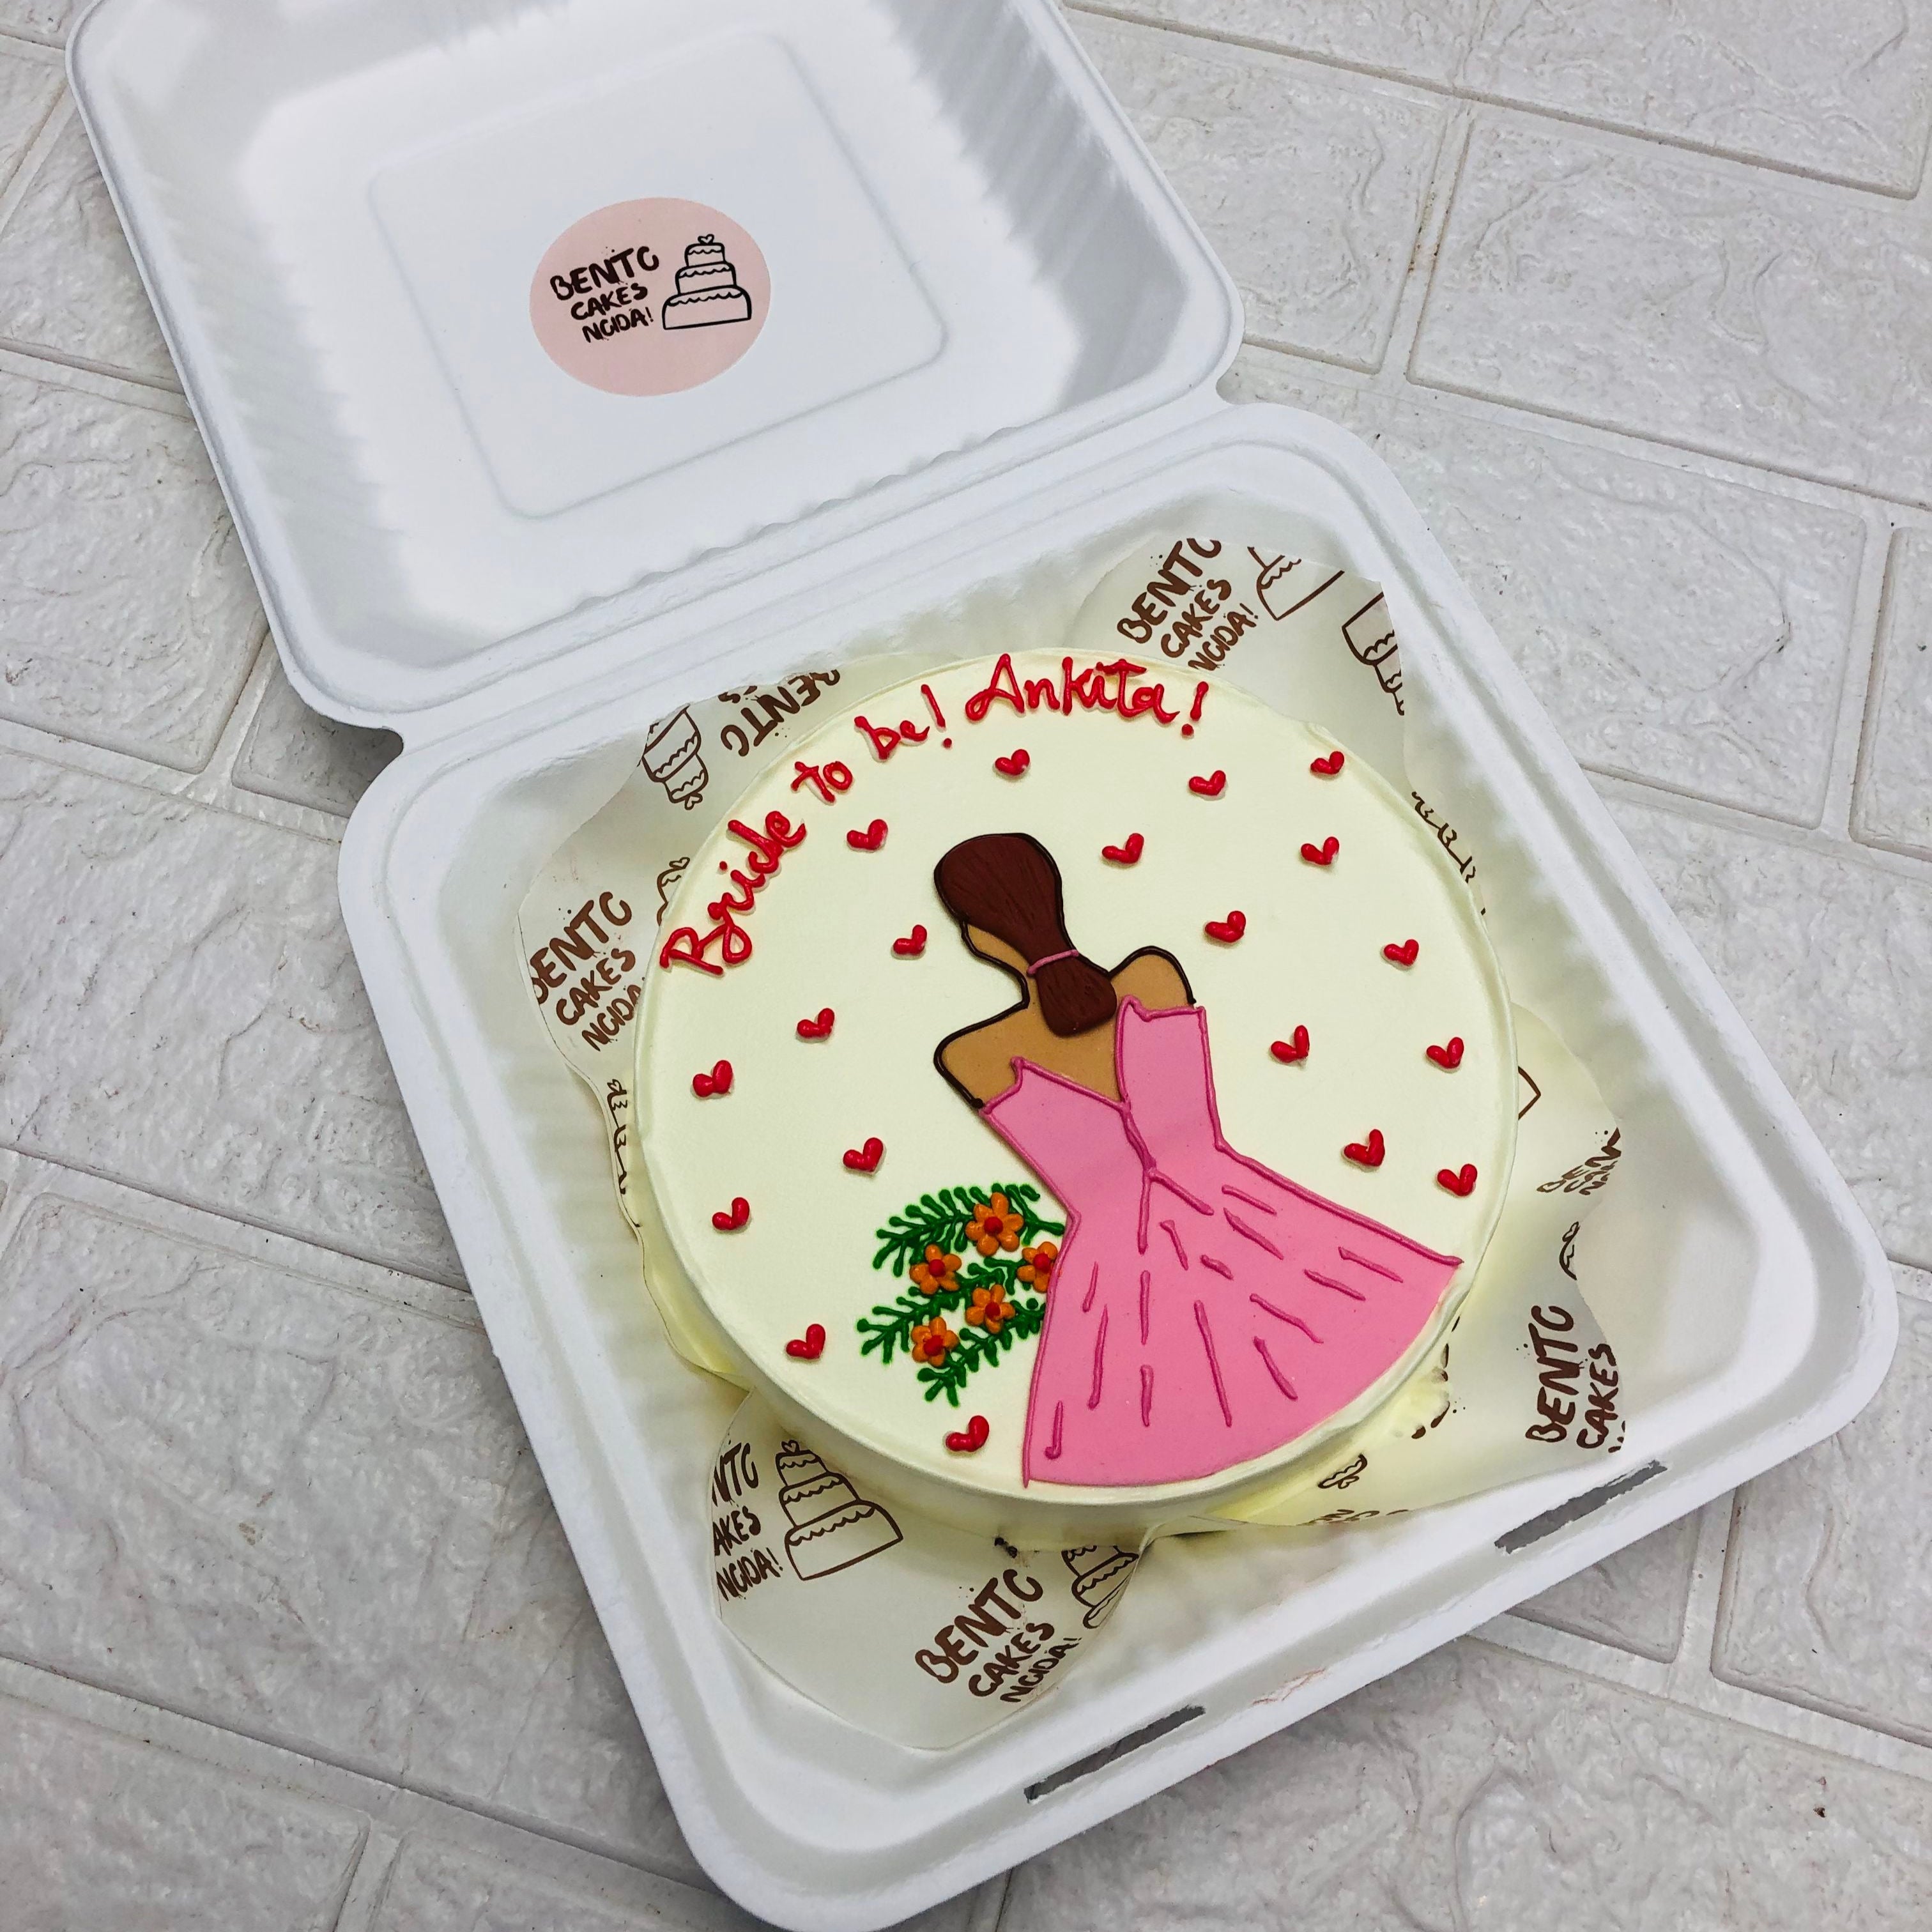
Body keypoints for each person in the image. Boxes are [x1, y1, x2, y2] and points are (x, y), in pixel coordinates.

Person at [932, 832, 1459, 1488]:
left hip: (1115, 1283)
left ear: (978, 938)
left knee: (1152, 1432)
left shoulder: (975, 1057)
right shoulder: (1155, 976)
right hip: (1252, 1218)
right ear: (1056, 898)